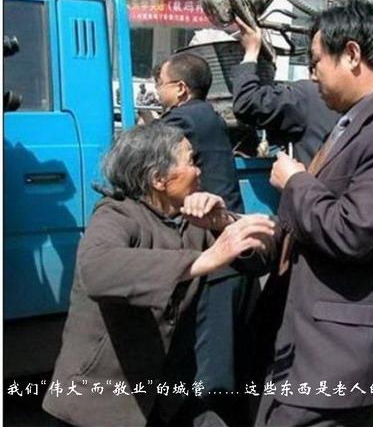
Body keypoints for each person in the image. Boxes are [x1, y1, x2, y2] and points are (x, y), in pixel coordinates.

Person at [255, 0, 373, 426]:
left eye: (316, 61)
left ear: (352, 55)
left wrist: (295, 182)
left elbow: (352, 231)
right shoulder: (359, 121)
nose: (312, 74)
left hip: (344, 352)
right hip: (316, 342)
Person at [42, 122, 275, 427]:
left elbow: (262, 257)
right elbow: (97, 269)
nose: (199, 170)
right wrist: (201, 261)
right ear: (158, 179)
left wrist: (222, 223)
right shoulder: (116, 214)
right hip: (100, 402)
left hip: (168, 394)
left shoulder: (193, 217)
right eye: (191, 161)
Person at [154, 53, 249, 425]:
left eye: (159, 83)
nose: (155, 90)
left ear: (180, 88)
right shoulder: (208, 115)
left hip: (216, 255)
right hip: (229, 247)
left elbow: (141, 150)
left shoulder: (181, 120)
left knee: (208, 376)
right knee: (225, 361)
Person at [231, 17, 339, 166]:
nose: (314, 75)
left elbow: (247, 103)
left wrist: (251, 52)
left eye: (316, 60)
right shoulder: (367, 110)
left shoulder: (309, 96)